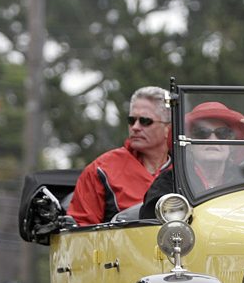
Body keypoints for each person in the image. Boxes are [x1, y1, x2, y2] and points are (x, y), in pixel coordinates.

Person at [67, 86, 172, 225]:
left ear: (168, 128)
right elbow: (80, 228)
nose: (135, 127)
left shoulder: (187, 171)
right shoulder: (101, 169)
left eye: (145, 121)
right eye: (131, 120)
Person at [140, 101, 244, 218]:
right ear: (189, 145)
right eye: (201, 133)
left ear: (231, 146)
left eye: (222, 133)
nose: (212, 140)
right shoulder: (171, 181)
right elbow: (152, 222)